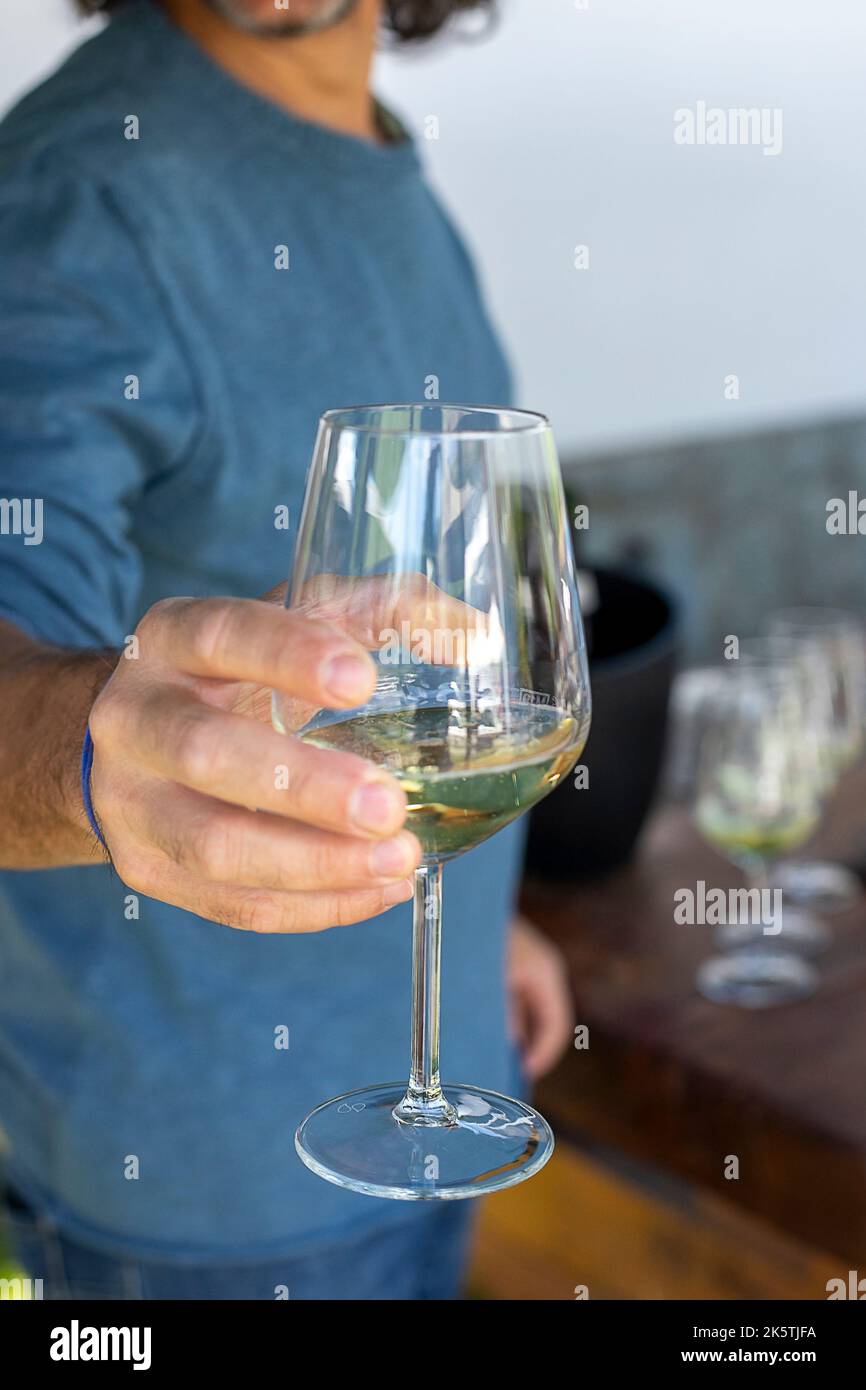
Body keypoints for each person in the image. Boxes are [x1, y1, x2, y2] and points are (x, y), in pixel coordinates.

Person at [0, 0, 572, 1300]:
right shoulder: (80, 193)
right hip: (208, 1188)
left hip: (439, 1095)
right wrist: (97, 757)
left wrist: (485, 903)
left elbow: (404, 667)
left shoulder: (370, 160)